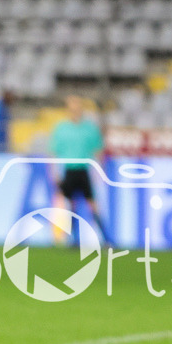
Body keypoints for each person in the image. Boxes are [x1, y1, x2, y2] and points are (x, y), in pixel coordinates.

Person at [50, 95, 108, 245]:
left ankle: (105, 238)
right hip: (68, 171)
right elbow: (53, 152)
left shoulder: (89, 129)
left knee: (92, 204)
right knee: (69, 205)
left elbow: (98, 151)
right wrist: (54, 172)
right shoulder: (61, 128)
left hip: (84, 171)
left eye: (77, 107)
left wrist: (99, 171)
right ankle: (73, 239)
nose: (75, 110)